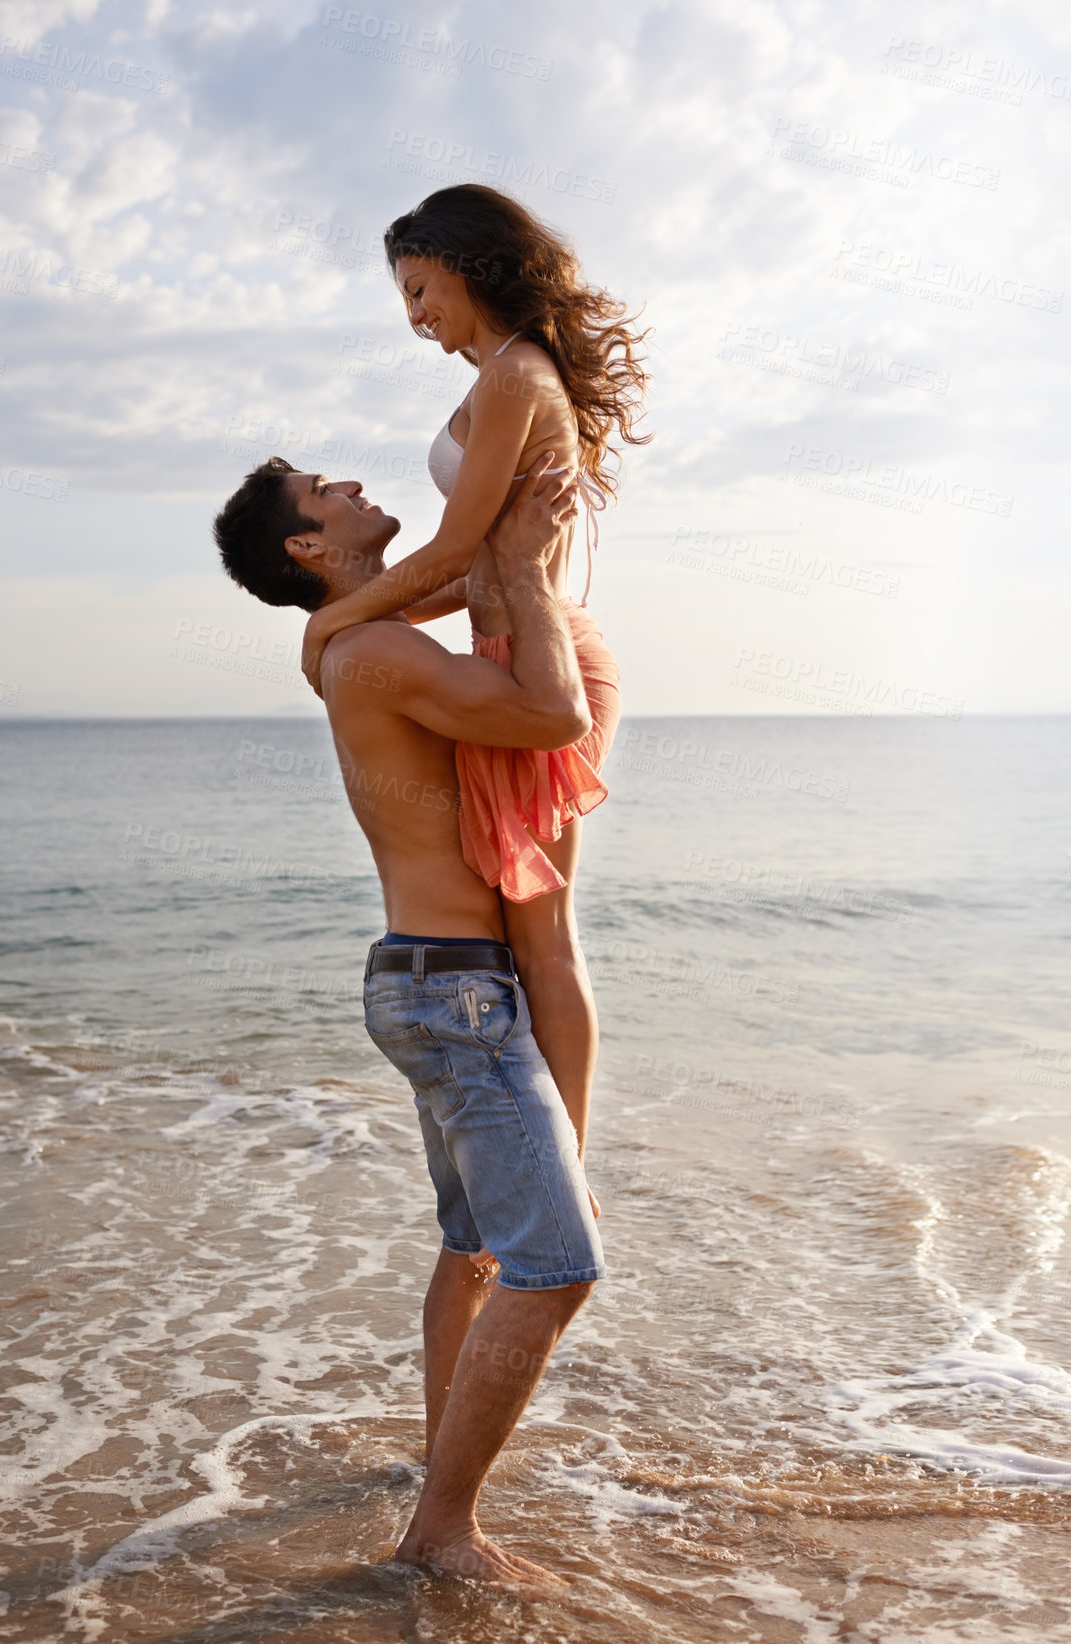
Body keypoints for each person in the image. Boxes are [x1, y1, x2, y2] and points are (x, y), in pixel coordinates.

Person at [213, 452, 603, 1590]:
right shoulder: (376, 651)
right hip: (459, 994)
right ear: (307, 545)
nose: (349, 481)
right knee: (557, 1265)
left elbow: (436, 570)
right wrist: (526, 570)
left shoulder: (349, 640)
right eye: (325, 489)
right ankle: (442, 1531)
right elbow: (548, 714)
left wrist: (501, 551)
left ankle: (443, 1472)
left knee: (475, 1248)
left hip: (437, 981)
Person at [297, 186, 650, 1220]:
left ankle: (566, 1171)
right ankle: (537, 1151)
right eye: (403, 297)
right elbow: (468, 567)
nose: (414, 314)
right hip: (510, 645)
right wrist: (359, 622)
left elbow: (455, 552)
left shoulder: (515, 375)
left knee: (542, 933)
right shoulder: (498, 375)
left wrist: (330, 625)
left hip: (547, 657)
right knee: (515, 925)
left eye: (419, 288)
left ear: (466, 264)